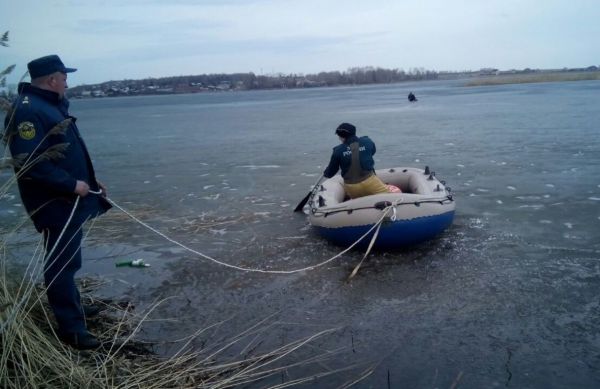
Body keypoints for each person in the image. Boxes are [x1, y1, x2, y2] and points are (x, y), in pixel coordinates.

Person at [3, 55, 111, 349]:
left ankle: (73, 307)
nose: (67, 81)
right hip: (54, 202)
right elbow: (31, 164)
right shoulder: (28, 111)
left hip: (67, 199)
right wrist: (71, 184)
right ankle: (71, 329)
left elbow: (63, 153)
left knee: (68, 260)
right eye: (64, 77)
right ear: (52, 80)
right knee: (62, 264)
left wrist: (90, 179)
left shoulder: (47, 105)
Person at [322, 122, 389, 199]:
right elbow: (372, 152)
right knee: (389, 198)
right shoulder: (367, 141)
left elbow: (330, 173)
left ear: (341, 136)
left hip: (352, 187)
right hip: (371, 182)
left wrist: (326, 172)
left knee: (358, 203)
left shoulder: (337, 150)